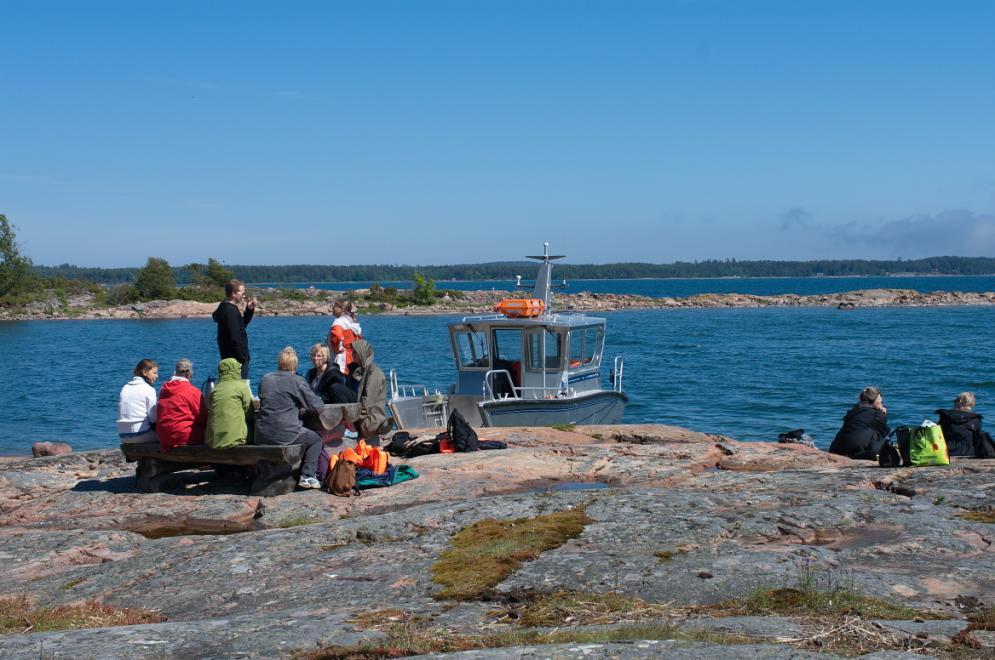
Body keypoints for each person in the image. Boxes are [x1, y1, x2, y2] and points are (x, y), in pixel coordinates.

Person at [254, 347, 326, 489]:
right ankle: (308, 475)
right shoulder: (297, 380)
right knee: (316, 439)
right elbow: (318, 406)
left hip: (261, 434)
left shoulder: (266, 379)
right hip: (285, 433)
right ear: (294, 365)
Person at [157, 358, 208, 452]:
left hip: (164, 436)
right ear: (190, 373)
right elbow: (202, 417)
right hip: (182, 436)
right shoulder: (192, 391)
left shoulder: (163, 389)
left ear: (175, 372)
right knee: (210, 435)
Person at [213, 279, 257, 380]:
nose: (244, 295)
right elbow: (235, 336)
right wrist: (244, 357)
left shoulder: (224, 307)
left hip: (227, 357)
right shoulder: (230, 311)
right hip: (236, 360)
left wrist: (249, 310)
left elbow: (240, 326)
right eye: (242, 292)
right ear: (233, 293)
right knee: (240, 386)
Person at [829, 386, 890, 460]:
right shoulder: (875, 414)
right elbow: (884, 431)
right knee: (880, 440)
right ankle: (853, 456)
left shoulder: (853, 411)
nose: (881, 402)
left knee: (871, 430)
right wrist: (883, 414)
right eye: (881, 400)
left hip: (837, 448)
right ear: (876, 400)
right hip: (853, 449)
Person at [205, 358, 253, 450]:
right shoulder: (242, 387)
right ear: (235, 370)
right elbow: (249, 414)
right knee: (253, 427)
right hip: (234, 440)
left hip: (212, 441)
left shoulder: (215, 389)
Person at [352, 339, 389, 442]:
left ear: (362, 353)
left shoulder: (374, 373)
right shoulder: (361, 370)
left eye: (355, 352)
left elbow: (368, 402)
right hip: (363, 418)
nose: (352, 354)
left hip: (371, 420)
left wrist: (352, 418)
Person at [117, 359, 159, 444]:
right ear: (144, 372)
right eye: (154, 373)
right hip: (141, 435)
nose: (157, 376)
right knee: (168, 438)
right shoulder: (149, 389)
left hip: (123, 436)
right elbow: (153, 418)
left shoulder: (125, 387)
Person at [937, 392, 984, 457]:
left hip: (948, 455)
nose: (953, 403)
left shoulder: (946, 417)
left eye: (955, 401)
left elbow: (939, 436)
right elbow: (977, 441)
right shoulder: (975, 420)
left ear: (960, 401)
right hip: (969, 455)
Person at [327, 300, 362, 376]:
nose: (332, 308)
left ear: (341, 309)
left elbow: (336, 337)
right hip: (353, 359)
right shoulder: (353, 322)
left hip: (341, 361)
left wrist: (338, 349)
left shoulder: (339, 322)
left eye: (334, 306)